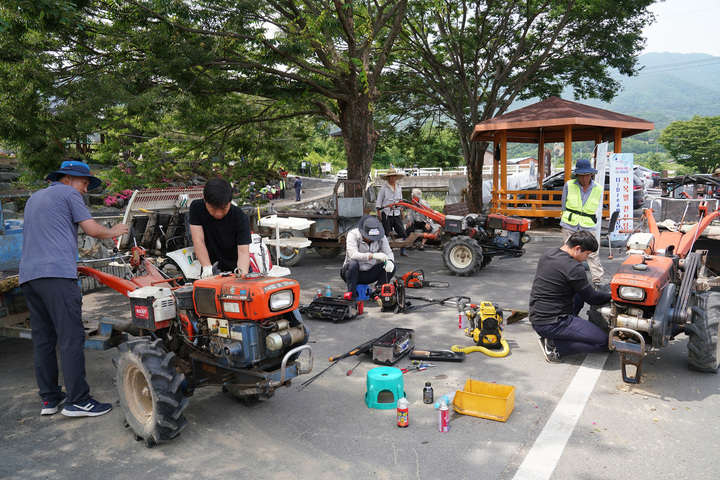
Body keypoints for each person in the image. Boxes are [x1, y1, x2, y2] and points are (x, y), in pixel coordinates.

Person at [20, 160, 130, 417]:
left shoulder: (34, 199)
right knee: (71, 337)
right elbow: (91, 229)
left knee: (44, 340)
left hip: (29, 277)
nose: (84, 190)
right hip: (57, 276)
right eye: (84, 183)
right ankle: (78, 401)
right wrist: (114, 230)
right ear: (68, 178)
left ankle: (49, 399)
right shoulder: (68, 192)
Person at [529, 231, 612, 363]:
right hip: (552, 323)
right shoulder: (574, 268)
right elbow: (593, 298)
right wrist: (612, 296)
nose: (587, 258)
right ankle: (555, 346)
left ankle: (571, 329)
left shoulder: (548, 254)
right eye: (588, 254)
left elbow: (584, 293)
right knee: (603, 342)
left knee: (580, 291)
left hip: (537, 316)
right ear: (578, 249)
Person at [189, 178, 252, 277]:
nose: (218, 213)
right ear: (204, 199)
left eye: (223, 208)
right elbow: (198, 240)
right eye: (213, 208)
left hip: (236, 270)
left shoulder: (240, 217)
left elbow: (243, 251)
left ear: (230, 201)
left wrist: (242, 276)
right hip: (210, 269)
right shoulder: (197, 208)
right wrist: (207, 267)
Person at [560, 159, 604, 285]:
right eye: (581, 175)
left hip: (588, 223)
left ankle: (598, 281)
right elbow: (564, 205)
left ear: (591, 174)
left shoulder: (598, 188)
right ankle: (567, 278)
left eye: (587, 175)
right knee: (568, 251)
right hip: (570, 222)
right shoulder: (569, 185)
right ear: (577, 175)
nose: (584, 178)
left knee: (592, 252)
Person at [341, 215, 396, 297]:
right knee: (353, 264)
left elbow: (388, 252)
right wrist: (372, 256)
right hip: (351, 273)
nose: (373, 239)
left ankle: (378, 292)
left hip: (369, 273)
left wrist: (390, 261)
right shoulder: (353, 234)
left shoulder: (381, 237)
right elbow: (353, 254)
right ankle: (351, 296)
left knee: (392, 267)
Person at [376, 167, 408, 256]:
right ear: (388, 178)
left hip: (396, 212)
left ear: (396, 177)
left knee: (402, 232)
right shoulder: (384, 188)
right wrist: (379, 212)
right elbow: (379, 201)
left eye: (394, 176)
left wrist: (402, 210)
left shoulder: (399, 187)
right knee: (386, 234)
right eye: (391, 177)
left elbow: (400, 199)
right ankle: (387, 251)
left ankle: (403, 249)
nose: (392, 178)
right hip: (386, 213)